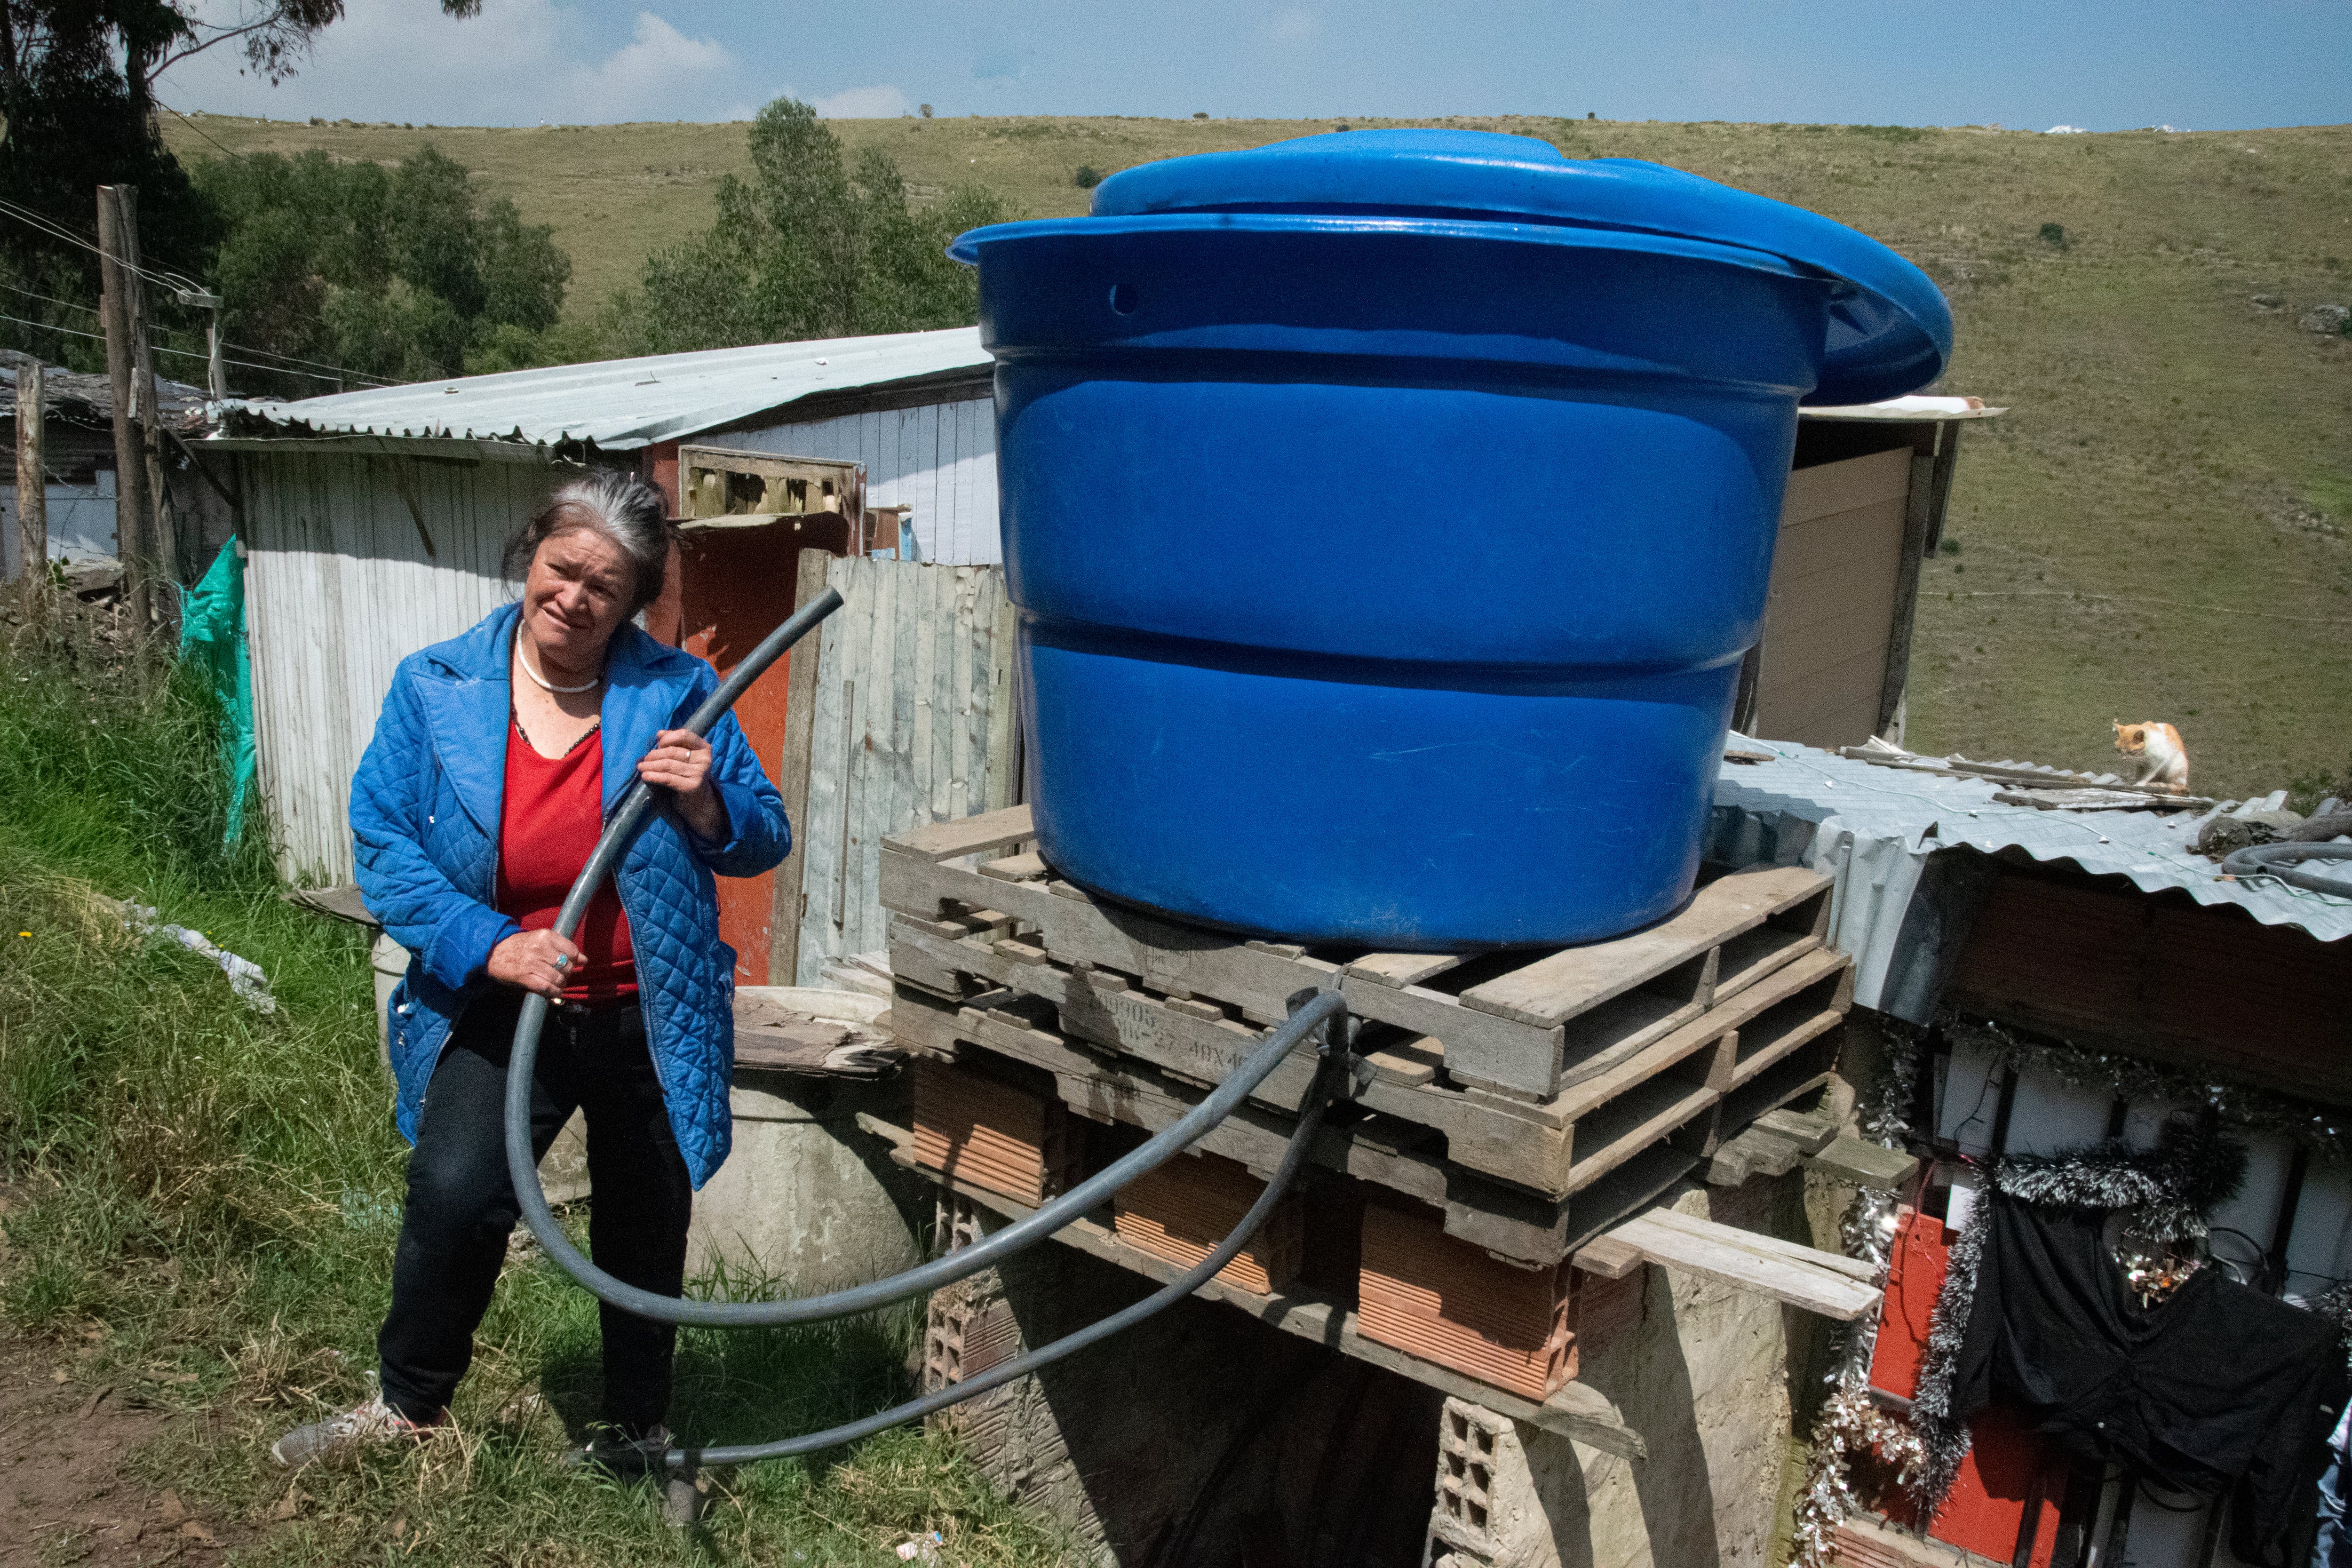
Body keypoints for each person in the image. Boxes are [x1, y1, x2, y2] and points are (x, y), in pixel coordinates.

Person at [270, 471, 788, 1480]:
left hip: (649, 1005)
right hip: (508, 997)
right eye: (562, 569)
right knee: (456, 1192)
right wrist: (485, 941)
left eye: (605, 585)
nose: (574, 598)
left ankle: (635, 1432)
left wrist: (705, 797)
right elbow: (382, 841)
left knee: (647, 1220)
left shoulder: (679, 693)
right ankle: (407, 1406)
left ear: (633, 601)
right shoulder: (438, 685)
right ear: (531, 555)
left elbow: (761, 837)